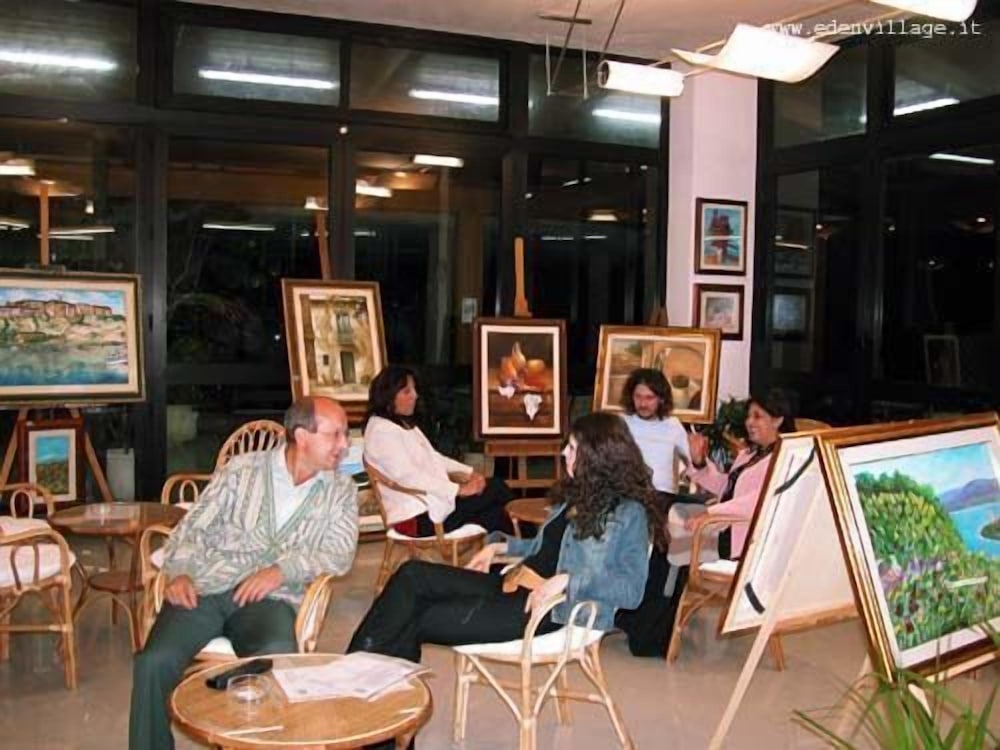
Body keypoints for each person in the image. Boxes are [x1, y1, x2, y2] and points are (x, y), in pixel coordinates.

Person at [129, 397, 360, 750]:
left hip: (270, 601)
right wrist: (181, 572)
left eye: (345, 434)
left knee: (277, 654)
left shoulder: (340, 491)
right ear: (302, 436)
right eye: (335, 434)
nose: (344, 444)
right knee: (153, 662)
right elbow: (192, 529)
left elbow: (340, 553)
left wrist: (281, 571)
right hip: (205, 588)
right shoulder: (242, 470)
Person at [347, 411, 661, 665]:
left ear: (598, 456)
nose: (563, 452)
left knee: (417, 617)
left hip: (551, 611)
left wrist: (568, 581)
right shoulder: (577, 496)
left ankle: (365, 697)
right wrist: (499, 546)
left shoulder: (629, 513)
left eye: (573, 448)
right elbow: (543, 550)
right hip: (515, 583)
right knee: (413, 574)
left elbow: (631, 591)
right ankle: (354, 678)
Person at [363, 365, 514, 535]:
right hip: (417, 517)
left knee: (496, 515)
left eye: (414, 389)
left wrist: (470, 473)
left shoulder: (401, 425)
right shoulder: (381, 432)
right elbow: (408, 476)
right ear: (388, 396)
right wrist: (459, 490)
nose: (415, 395)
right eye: (407, 391)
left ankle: (523, 546)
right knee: (496, 488)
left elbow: (434, 458)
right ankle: (534, 544)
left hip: (431, 506)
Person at [679, 389, 796, 560]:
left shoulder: (786, 458)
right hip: (726, 533)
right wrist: (700, 462)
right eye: (748, 416)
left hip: (751, 542)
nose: (749, 422)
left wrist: (710, 513)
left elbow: (759, 500)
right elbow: (726, 488)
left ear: (777, 420)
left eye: (757, 416)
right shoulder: (748, 454)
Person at [619, 368, 691, 496]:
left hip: (661, 495)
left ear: (661, 399)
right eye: (638, 397)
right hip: (627, 493)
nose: (643, 404)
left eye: (649, 398)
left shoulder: (673, 425)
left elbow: (694, 461)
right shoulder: (622, 423)